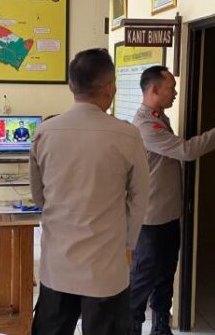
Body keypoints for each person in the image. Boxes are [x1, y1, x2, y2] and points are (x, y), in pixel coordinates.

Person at [29, 48, 150, 335]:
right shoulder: (127, 135)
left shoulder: (45, 132)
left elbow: (39, 196)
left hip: (58, 265)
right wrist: (128, 244)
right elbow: (140, 198)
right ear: (110, 88)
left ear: (72, 86)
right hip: (105, 267)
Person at [129, 65, 215, 335]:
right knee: (143, 278)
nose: (176, 93)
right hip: (151, 219)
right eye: (171, 88)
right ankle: (130, 327)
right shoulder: (145, 125)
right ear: (155, 90)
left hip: (167, 215)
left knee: (165, 276)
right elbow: (186, 151)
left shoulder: (159, 118)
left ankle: (160, 327)